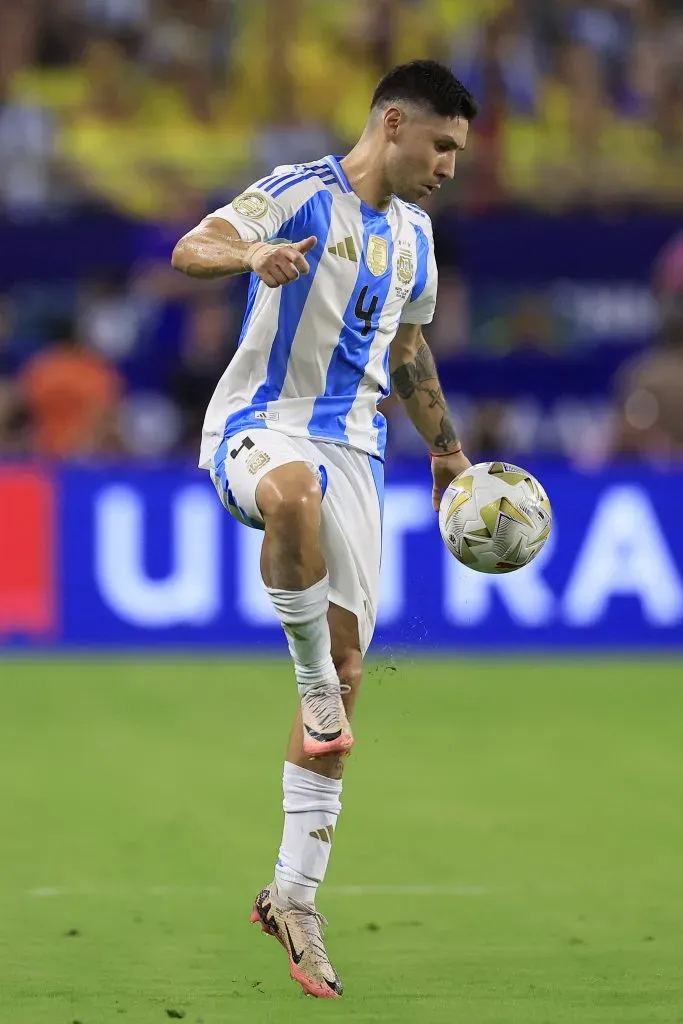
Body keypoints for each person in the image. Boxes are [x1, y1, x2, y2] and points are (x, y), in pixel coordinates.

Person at [171, 59, 477, 999]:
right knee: (291, 497)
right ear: (392, 123)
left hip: (360, 458)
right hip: (261, 428)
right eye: (441, 146)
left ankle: (292, 897)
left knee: (351, 676)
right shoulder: (302, 193)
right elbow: (193, 245)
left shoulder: (416, 239)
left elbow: (408, 347)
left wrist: (448, 453)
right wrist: (248, 256)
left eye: (458, 154)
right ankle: (310, 685)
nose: (448, 168)